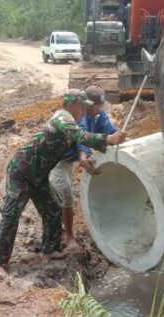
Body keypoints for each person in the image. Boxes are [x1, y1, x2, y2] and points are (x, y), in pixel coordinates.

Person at [0, 89, 127, 278]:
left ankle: (49, 249)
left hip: (39, 175)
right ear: (71, 106)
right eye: (82, 107)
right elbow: (80, 137)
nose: (84, 111)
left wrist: (105, 141)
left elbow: (81, 142)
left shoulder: (73, 120)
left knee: (53, 209)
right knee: (11, 216)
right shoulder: (62, 118)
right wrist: (106, 139)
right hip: (21, 172)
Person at [49, 86, 117, 253]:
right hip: (57, 161)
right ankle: (68, 237)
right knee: (65, 197)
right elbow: (82, 138)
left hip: (69, 161)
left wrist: (128, 140)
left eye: (102, 108)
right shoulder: (78, 117)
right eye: (96, 108)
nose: (100, 111)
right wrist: (83, 157)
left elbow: (111, 132)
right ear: (87, 105)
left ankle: (61, 229)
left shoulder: (99, 116)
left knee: (62, 196)